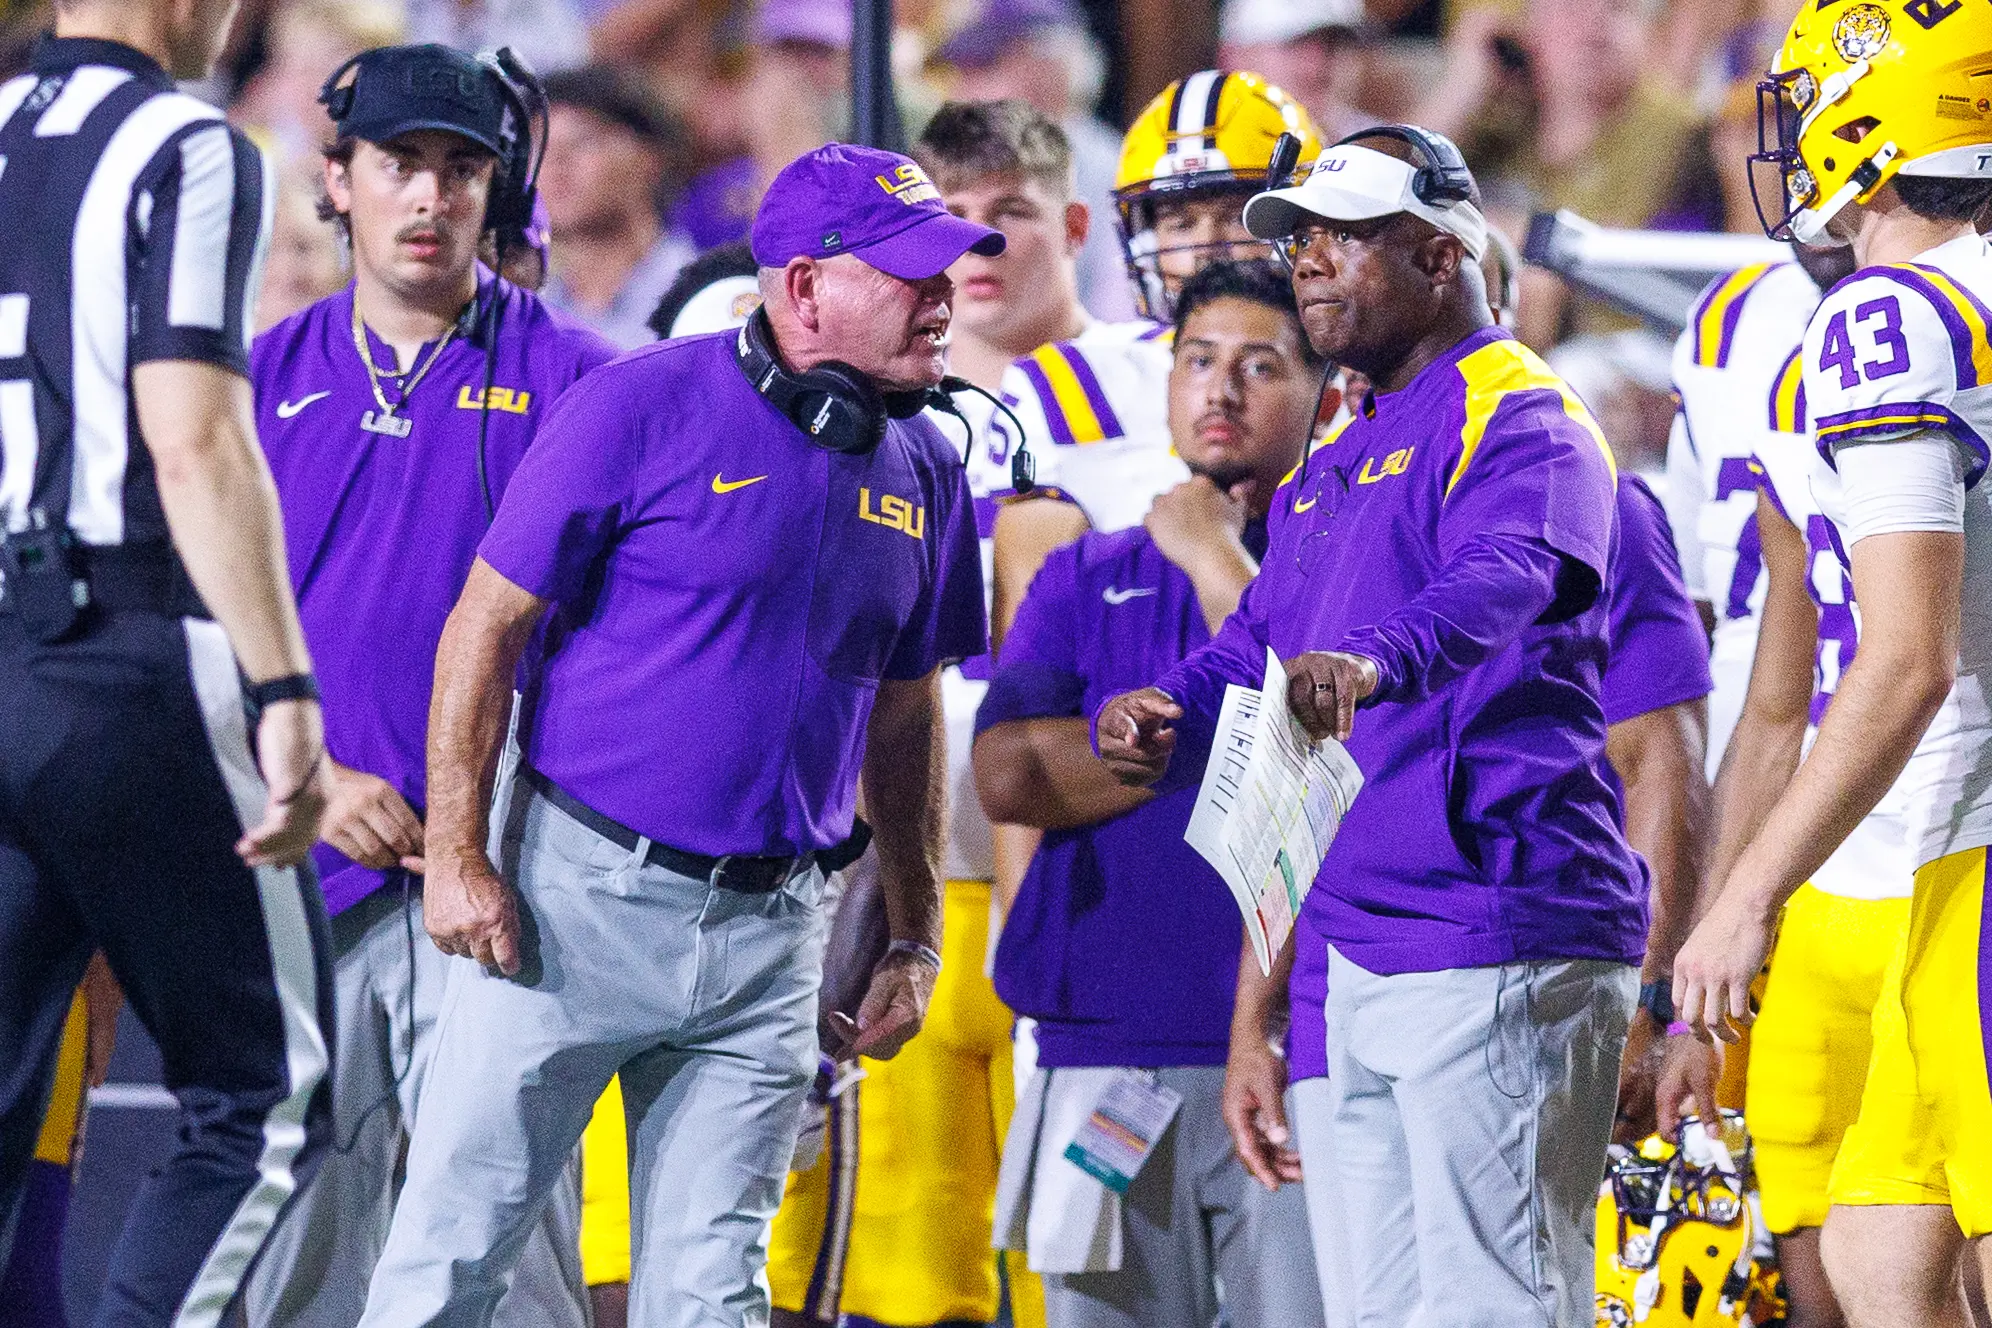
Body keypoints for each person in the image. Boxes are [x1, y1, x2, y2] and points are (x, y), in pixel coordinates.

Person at [354, 142, 993, 1325]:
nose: (945, 297)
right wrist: (457, 855)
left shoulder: (927, 467)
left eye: (948, 268)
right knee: (451, 1259)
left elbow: (904, 718)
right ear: (803, 287)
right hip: (570, 899)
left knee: (712, 1296)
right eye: (912, 272)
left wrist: (912, 931)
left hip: (773, 932)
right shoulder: (638, 403)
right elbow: (482, 629)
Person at [1099, 127, 1643, 1325]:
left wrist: (1380, 658)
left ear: (1440, 257)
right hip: (1354, 936)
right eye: (1301, 238)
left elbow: (1507, 571)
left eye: (1346, 235)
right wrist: (1175, 704)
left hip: (1496, 914)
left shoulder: (1525, 412)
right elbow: (1263, 633)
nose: (1310, 260)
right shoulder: (1347, 438)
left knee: (1501, 1306)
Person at [241, 44, 620, 1328]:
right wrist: (309, 776)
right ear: (336, 179)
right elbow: (191, 637)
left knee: (512, 1249)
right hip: (307, 873)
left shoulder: (581, 384)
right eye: (401, 164)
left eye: (464, 171)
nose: (431, 198)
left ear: (497, 195)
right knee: (297, 1246)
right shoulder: (254, 383)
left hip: (508, 881)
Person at [0, 0, 334, 1321]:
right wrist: (284, 687)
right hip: (125, 648)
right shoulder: (186, 140)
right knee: (268, 1091)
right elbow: (193, 439)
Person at [760, 98, 1107, 1328]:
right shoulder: (848, 406)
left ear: (1068, 222)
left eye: (1005, 217)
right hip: (888, 874)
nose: (974, 257)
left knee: (1058, 1268)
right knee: (884, 1274)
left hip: (1069, 873)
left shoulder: (1151, 386)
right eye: (945, 231)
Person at [1675, 3, 1992, 1322]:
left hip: (1971, 850)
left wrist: (1748, 892)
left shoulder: (1898, 312)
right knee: (1876, 1259)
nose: (1789, 140)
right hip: (1937, 860)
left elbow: (1908, 657)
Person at [974, 259, 1329, 1328]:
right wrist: (1210, 742)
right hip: (1106, 1040)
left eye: (1260, 366)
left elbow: (1328, 737)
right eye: (1198, 361)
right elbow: (1008, 773)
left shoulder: (1346, 554)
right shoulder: (1087, 573)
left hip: (1297, 1048)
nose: (1220, 390)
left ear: (1325, 393)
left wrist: (1214, 558)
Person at [933, 0, 1134, 322]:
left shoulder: (1115, 171)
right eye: (962, 71)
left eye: (984, 68)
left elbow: (1118, 320)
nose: (961, 90)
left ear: (1049, 70)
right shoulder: (955, 167)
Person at [537, 65, 695, 350]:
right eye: (540, 148)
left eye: (581, 141)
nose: (555, 163)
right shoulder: (532, 309)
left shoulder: (701, 295)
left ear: (650, 158)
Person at [1216, 0, 1374, 142]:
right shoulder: (1197, 149)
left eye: (1333, 44)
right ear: (1231, 57)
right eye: (1295, 45)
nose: (1315, 67)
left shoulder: (1385, 148)